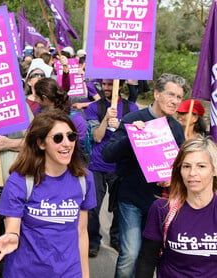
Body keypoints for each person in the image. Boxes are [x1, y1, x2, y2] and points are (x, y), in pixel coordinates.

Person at [0, 110, 96, 277]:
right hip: (26, 272)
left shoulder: (84, 179)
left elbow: (81, 232)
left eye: (71, 136)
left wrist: (85, 274)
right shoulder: (20, 181)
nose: (67, 143)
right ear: (41, 144)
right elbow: (12, 227)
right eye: (58, 138)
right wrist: (12, 237)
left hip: (68, 272)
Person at [102, 73, 187, 278]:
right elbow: (108, 155)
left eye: (179, 97)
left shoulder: (176, 128)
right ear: (156, 94)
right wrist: (132, 136)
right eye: (171, 94)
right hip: (130, 199)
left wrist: (173, 178)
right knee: (130, 254)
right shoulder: (134, 119)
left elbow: (181, 166)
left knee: (148, 258)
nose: (175, 101)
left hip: (160, 204)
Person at [137, 136, 217, 277]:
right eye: (186, 166)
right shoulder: (162, 209)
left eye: (201, 166)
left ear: (214, 170)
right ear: (179, 171)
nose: (192, 173)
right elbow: (147, 260)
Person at [85, 79, 139, 257]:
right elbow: (97, 138)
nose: (107, 88)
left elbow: (136, 138)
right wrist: (106, 119)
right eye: (105, 85)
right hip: (97, 165)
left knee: (118, 206)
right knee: (93, 206)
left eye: (110, 85)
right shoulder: (94, 108)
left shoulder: (132, 108)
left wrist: (121, 126)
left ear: (120, 86)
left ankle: (115, 239)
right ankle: (93, 240)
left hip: (121, 165)